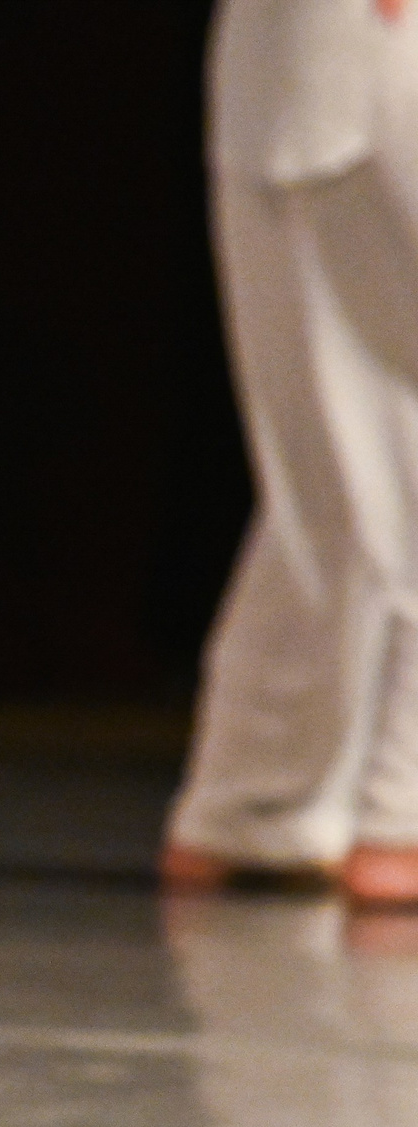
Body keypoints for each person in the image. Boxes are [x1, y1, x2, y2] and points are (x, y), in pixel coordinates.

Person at [164, 0, 418, 904]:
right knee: (344, 460)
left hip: (297, 72)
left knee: (332, 466)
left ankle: (260, 798)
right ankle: (384, 810)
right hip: (354, 64)